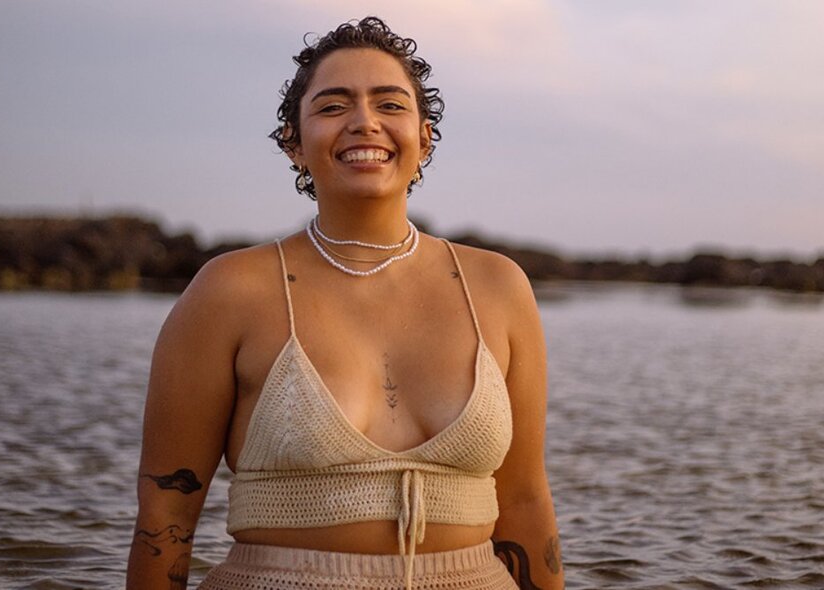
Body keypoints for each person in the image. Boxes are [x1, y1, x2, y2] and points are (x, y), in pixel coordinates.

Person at [126, 16, 562, 590]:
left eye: (390, 104)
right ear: (294, 143)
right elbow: (167, 516)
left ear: (424, 136)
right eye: (333, 107)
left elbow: (526, 502)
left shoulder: (498, 287)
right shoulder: (231, 291)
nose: (364, 123)